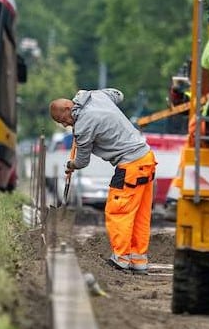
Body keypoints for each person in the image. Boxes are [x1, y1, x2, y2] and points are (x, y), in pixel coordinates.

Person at [50, 89, 156, 273]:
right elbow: (119, 94)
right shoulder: (97, 96)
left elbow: (82, 161)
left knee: (118, 212)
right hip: (146, 159)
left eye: (63, 120)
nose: (66, 125)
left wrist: (71, 164)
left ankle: (121, 259)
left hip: (130, 166)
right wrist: (95, 96)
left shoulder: (83, 126)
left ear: (68, 108)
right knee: (139, 215)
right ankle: (138, 261)